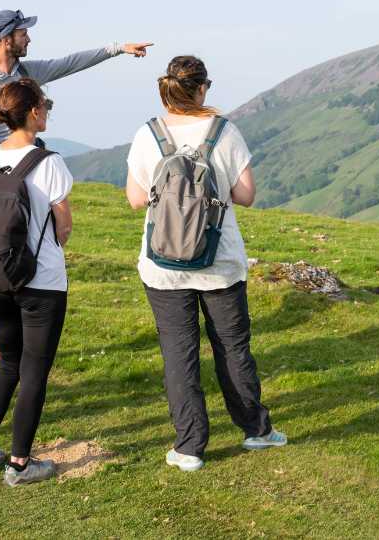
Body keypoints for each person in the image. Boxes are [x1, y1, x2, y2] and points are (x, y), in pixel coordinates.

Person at [124, 55, 285, 473]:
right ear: (201, 89)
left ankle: (190, 447)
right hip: (220, 262)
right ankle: (255, 431)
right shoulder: (224, 132)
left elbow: (136, 198)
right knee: (232, 348)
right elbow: (247, 195)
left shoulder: (149, 135)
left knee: (179, 355)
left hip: (163, 264)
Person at [0, 79, 75, 486]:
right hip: (42, 280)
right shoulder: (49, 162)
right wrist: (53, 244)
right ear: (33, 112)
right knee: (34, 370)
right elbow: (63, 224)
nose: (47, 109)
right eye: (45, 104)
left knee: (8, 361)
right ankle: (19, 463)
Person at [0, 8, 153, 152]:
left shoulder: (25, 72)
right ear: (7, 41)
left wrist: (117, 49)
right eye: (23, 34)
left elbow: (69, 63)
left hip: (23, 168)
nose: (29, 39)